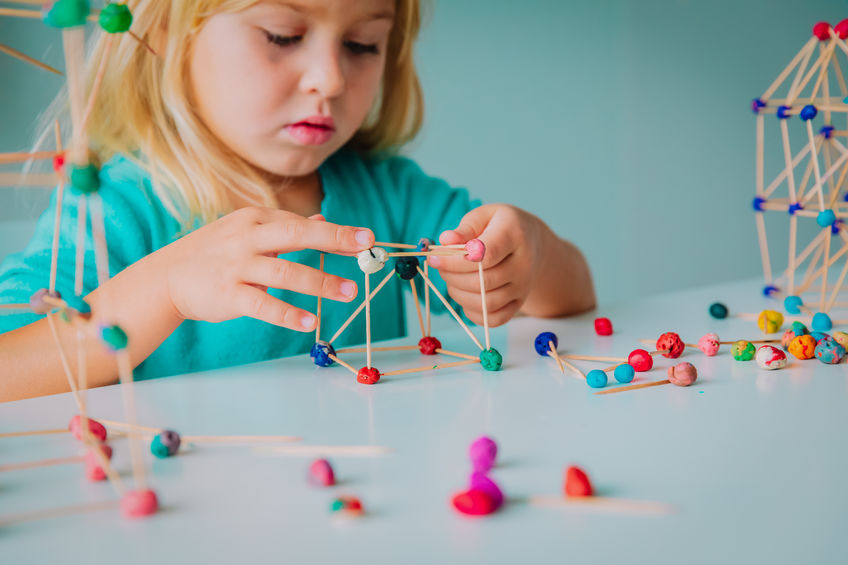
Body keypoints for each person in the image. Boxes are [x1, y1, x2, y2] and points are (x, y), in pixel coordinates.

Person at [0, 0, 595, 401]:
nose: (330, 79)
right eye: (283, 36)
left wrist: (532, 255)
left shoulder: (390, 194)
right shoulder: (116, 208)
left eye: (362, 44)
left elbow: (571, 299)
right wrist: (166, 289)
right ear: (166, 36)